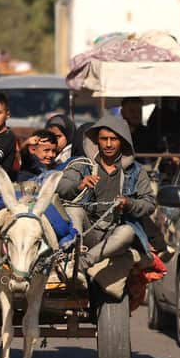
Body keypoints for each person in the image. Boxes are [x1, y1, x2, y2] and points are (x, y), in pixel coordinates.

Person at [57, 115, 156, 272]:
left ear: (122, 141)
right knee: (74, 210)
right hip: (87, 231)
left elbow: (149, 203)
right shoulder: (83, 165)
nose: (108, 144)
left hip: (114, 234)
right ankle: (70, 255)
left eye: (113, 139)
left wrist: (129, 203)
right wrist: (79, 185)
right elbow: (61, 186)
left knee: (128, 232)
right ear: (97, 140)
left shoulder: (135, 171)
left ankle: (81, 263)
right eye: (104, 139)